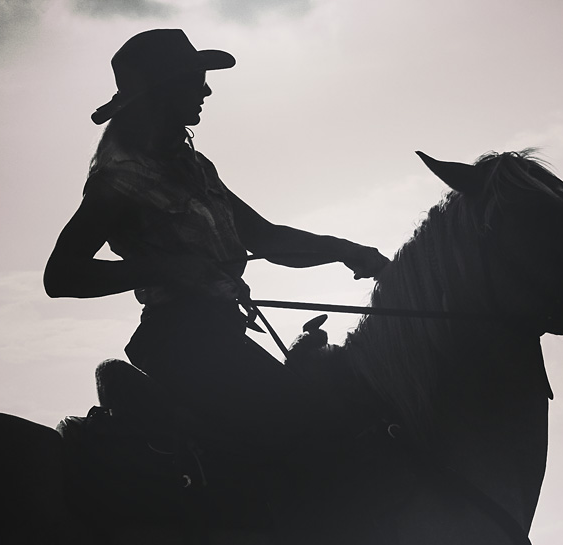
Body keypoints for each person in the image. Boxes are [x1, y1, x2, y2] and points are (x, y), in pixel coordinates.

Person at [44, 29, 389, 459]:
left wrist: (348, 251)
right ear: (163, 92)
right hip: (181, 343)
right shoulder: (118, 182)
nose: (206, 89)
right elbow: (60, 275)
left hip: (217, 336)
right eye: (194, 79)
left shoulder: (196, 167)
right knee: (308, 432)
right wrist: (165, 267)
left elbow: (264, 237)